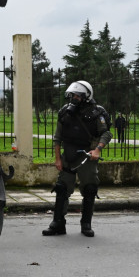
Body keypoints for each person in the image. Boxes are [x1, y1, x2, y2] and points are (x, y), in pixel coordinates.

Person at [42, 80, 112, 237]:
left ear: (86, 96)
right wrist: (58, 159)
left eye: (77, 96)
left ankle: (86, 224)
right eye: (72, 95)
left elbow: (106, 133)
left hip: (86, 157)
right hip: (68, 156)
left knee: (89, 189)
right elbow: (57, 137)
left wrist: (98, 149)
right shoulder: (65, 112)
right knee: (61, 188)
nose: (74, 98)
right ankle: (58, 224)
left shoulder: (97, 113)